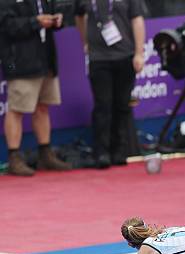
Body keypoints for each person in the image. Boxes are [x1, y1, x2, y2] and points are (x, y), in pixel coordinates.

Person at [0, 0, 72, 176]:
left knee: (43, 106)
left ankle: (45, 153)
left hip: (45, 59)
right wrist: (35, 22)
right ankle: (14, 157)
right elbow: (6, 25)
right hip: (20, 62)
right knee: (16, 109)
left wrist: (58, 21)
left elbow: (56, 10)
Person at [75, 0, 146, 168]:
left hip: (125, 55)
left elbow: (137, 20)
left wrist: (139, 52)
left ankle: (119, 150)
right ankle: (101, 152)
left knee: (122, 104)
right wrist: (85, 41)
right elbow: (79, 16)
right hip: (98, 58)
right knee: (103, 104)